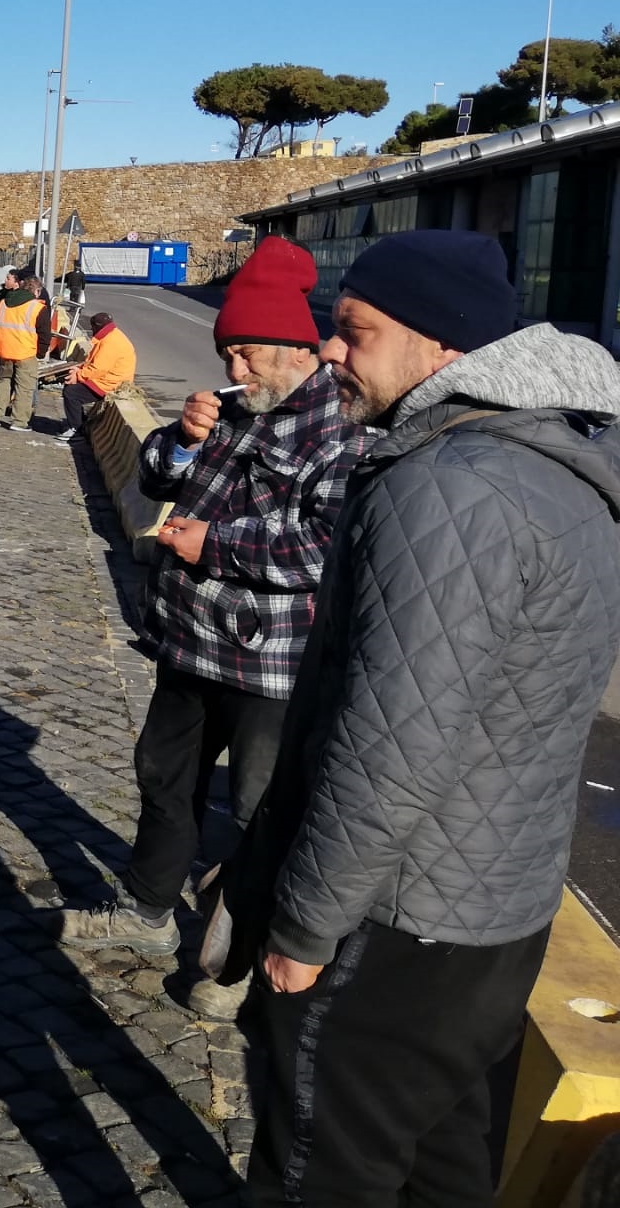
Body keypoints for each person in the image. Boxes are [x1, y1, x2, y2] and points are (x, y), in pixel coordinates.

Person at [233, 230, 620, 1204]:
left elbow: (387, 750)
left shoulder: (446, 486)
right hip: (500, 918)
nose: (328, 350)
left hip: (395, 923)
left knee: (320, 1172)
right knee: (442, 1165)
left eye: (354, 333)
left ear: (441, 351)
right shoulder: (561, 467)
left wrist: (303, 928)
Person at [58, 238, 366, 1025]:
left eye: (248, 354)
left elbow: (326, 546)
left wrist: (217, 545)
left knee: (260, 810)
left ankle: (236, 960)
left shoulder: (339, 432)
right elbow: (156, 476)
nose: (235, 369)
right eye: (229, 353)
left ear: (295, 350)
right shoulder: (231, 408)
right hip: (190, 642)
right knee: (164, 779)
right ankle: (148, 912)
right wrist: (179, 441)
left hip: (273, 667)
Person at [54, 311, 136, 443]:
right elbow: (93, 363)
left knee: (72, 393)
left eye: (93, 328)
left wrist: (79, 375)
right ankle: (79, 423)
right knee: (71, 386)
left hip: (111, 383)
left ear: (96, 327)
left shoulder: (110, 342)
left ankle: (76, 428)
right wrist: (79, 370)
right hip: (108, 378)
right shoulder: (111, 336)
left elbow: (98, 369)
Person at [0, 272, 53, 428]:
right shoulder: (37, 307)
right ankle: (19, 421)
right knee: (24, 388)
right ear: (36, 291)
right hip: (26, 352)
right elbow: (45, 334)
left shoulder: (3, 303)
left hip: (5, 350)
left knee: (4, 382)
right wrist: (41, 353)